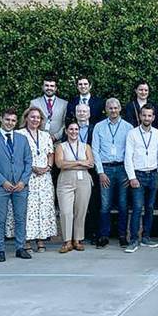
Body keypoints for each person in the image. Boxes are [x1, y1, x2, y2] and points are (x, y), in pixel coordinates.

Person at [0, 107, 33, 262]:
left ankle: (20, 247)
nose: (10, 123)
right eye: (7, 119)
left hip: (20, 186)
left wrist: (23, 181)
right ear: (1, 119)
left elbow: (28, 162)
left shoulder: (22, 139)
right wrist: (2, 181)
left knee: (20, 217)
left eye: (13, 120)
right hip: (1, 187)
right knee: (0, 218)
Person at [6, 106, 57, 253]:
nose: (35, 119)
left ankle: (41, 240)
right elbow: (14, 157)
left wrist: (47, 167)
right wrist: (32, 168)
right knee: (27, 209)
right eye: (32, 117)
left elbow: (50, 154)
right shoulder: (18, 134)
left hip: (44, 178)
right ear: (26, 118)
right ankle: (26, 241)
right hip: (27, 176)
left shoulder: (45, 135)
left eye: (38, 117)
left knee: (43, 207)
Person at [92, 98, 133, 248]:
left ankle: (123, 235)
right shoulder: (99, 127)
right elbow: (95, 150)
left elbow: (131, 152)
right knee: (105, 205)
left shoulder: (128, 127)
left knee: (123, 204)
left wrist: (130, 173)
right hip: (106, 168)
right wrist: (100, 172)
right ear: (106, 109)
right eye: (110, 108)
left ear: (120, 108)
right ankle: (104, 236)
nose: (113, 110)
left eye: (116, 108)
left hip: (122, 169)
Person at [124, 104, 158, 253]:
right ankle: (133, 240)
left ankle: (146, 238)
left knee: (150, 208)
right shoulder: (132, 133)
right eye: (144, 115)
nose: (147, 118)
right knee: (137, 208)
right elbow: (128, 156)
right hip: (138, 175)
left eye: (150, 115)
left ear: (153, 117)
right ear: (140, 116)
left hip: (153, 174)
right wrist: (132, 177)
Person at [54, 121, 95, 253]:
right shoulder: (61, 147)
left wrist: (71, 163)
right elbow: (60, 164)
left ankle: (77, 239)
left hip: (84, 180)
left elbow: (91, 164)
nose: (73, 132)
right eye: (71, 129)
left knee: (80, 211)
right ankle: (67, 241)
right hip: (65, 181)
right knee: (66, 212)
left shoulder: (86, 146)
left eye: (76, 129)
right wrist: (79, 162)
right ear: (66, 131)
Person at [66, 103, 99, 244]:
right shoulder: (68, 130)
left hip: (91, 170)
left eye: (84, 111)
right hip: (73, 171)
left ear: (89, 114)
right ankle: (73, 237)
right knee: (74, 205)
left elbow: (94, 155)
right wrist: (80, 162)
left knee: (92, 203)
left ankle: (91, 233)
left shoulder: (94, 129)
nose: (82, 113)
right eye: (79, 111)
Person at [30, 76, 69, 142]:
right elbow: (31, 122)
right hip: (38, 140)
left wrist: (56, 137)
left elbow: (65, 123)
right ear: (43, 87)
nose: (49, 88)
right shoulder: (34, 103)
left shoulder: (64, 104)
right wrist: (40, 136)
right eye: (47, 85)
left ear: (55, 88)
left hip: (58, 141)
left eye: (52, 86)